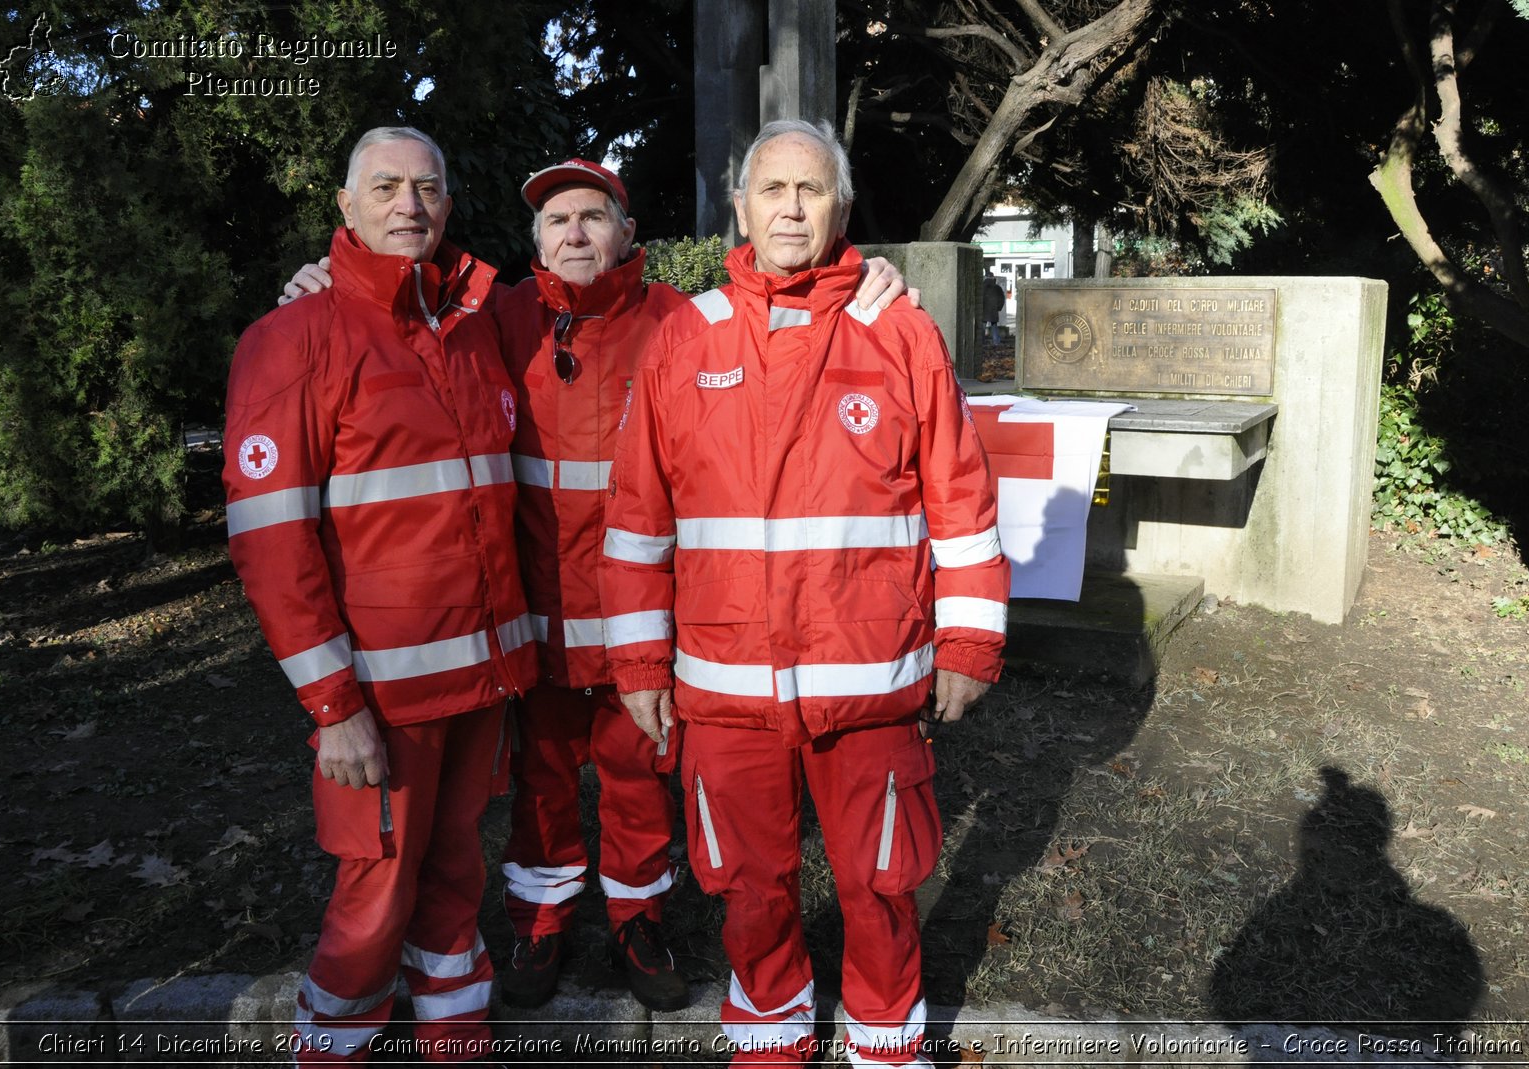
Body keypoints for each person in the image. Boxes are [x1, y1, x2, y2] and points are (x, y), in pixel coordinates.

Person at [277, 159, 915, 1015]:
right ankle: (539, 919)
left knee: (640, 777)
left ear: (628, 235)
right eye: (554, 221)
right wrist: (323, 282)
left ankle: (637, 917)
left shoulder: (683, 323)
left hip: (639, 622)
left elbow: (780, 318)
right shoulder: (492, 321)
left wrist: (872, 272)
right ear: (533, 241)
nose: (573, 234)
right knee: (542, 784)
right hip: (531, 624)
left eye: (591, 216)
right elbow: (399, 323)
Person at [602, 119, 1010, 1068]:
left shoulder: (898, 331)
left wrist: (970, 642)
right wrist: (636, 662)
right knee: (749, 887)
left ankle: (884, 1045)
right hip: (726, 686)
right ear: (738, 206)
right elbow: (636, 520)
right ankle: (772, 1038)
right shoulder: (680, 339)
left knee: (880, 883)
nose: (791, 207)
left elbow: (960, 496)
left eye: (811, 190)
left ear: (842, 208)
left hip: (868, 682)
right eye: (772, 189)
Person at [224, 126, 537, 1064]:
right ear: (346, 208)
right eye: (389, 187)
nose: (411, 204)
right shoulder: (295, 338)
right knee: (373, 897)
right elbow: (272, 544)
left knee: (452, 878)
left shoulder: (473, 326)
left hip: (479, 679)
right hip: (378, 695)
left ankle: (456, 1038)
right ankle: (333, 1045)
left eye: (429, 187)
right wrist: (333, 705)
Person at [982, 274, 1005, 344]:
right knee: (994, 326)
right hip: (993, 310)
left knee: (982, 327)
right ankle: (996, 342)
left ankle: (981, 342)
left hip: (983, 310)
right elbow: (1002, 299)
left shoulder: (981, 287)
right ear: (993, 278)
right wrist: (999, 307)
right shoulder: (997, 288)